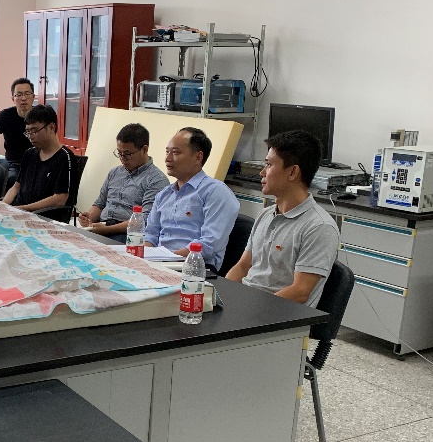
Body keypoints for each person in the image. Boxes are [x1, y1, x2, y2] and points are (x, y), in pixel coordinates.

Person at [226, 131, 339, 307]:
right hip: (247, 305)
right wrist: (223, 297)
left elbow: (300, 292)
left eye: (269, 165)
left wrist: (251, 309)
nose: (262, 172)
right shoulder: (265, 214)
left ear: (293, 172)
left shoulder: (319, 227)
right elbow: (242, 267)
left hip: (279, 315)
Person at [144, 127, 239, 270]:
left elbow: (209, 244)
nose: (168, 158)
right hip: (160, 263)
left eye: (176, 152)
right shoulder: (164, 194)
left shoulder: (216, 192)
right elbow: (150, 235)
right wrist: (145, 258)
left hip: (195, 267)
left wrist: (168, 258)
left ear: (198, 157)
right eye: (167, 152)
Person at [79, 123, 166, 240]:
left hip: (127, 233)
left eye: (128, 154)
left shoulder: (156, 180)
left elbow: (145, 220)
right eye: (119, 153)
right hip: (101, 226)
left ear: (144, 149)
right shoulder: (115, 172)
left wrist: (106, 229)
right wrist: (89, 217)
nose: (122, 158)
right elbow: (100, 204)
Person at [2, 104, 74, 213]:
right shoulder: (29, 153)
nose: (31, 136)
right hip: (18, 211)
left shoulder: (65, 157)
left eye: (35, 131)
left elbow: (60, 199)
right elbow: (16, 187)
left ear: (51, 127)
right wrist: (2, 206)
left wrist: (23, 209)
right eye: (28, 132)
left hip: (43, 215)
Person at [0, 78, 35, 186]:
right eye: (19, 95)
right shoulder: (5, 116)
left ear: (33, 97)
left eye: (27, 94)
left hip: (38, 162)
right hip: (13, 163)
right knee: (7, 178)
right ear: (13, 99)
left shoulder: (41, 116)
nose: (23, 98)